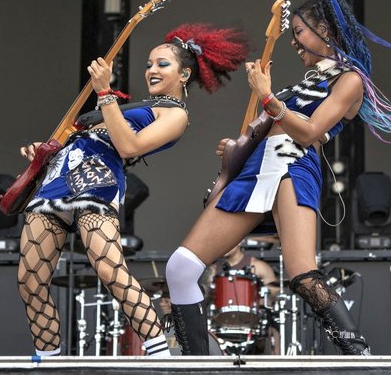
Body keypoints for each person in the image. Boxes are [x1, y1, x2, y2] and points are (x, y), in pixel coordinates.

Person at [165, 0, 391, 356]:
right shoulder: (305, 83)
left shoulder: (350, 79)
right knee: (180, 268)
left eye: (299, 32)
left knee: (303, 274)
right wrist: (237, 146)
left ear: (324, 30)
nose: (293, 42)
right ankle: (197, 363)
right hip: (257, 168)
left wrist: (269, 99)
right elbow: (266, 127)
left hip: (293, 165)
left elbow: (308, 132)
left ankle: (361, 354)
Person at [16, 24, 249, 357]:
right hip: (58, 177)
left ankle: (159, 354)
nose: (151, 70)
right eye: (149, 63)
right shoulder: (131, 107)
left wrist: (105, 92)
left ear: (184, 74)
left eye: (162, 64)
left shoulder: (174, 114)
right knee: (30, 281)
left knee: (111, 270)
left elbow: (129, 147)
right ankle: (48, 359)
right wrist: (46, 150)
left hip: (98, 180)